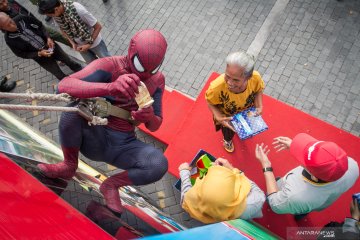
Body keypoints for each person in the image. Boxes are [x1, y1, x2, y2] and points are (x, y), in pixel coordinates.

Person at [37, 29, 168, 214]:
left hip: (124, 144)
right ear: (131, 51)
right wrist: (110, 87)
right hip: (95, 133)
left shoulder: (157, 80)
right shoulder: (110, 66)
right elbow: (63, 86)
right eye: (139, 66)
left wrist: (149, 117)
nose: (144, 75)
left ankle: (111, 185)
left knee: (158, 164)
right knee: (72, 110)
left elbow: (156, 125)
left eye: (152, 69)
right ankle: (69, 164)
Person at [255, 133, 359, 219]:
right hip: (317, 202)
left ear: (313, 176)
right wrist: (295, 147)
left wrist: (266, 166)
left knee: (273, 198)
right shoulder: (352, 166)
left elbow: (275, 203)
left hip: (298, 200)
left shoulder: (295, 196)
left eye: (303, 157)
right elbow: (324, 158)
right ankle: (301, 213)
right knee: (304, 209)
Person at [205, 51, 264, 153]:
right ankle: (227, 141)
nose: (229, 83)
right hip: (228, 118)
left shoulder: (255, 78)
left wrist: (259, 106)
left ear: (248, 77)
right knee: (228, 132)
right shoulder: (216, 87)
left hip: (247, 113)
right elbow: (210, 102)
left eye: (236, 80)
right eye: (227, 76)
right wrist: (219, 117)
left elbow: (258, 90)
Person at [179, 158, 265, 223]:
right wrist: (233, 170)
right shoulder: (252, 204)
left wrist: (184, 172)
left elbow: (186, 196)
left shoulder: (193, 202)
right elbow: (257, 192)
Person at [0, 12, 82, 80]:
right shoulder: (9, 39)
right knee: (58, 74)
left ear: (9, 16)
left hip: (51, 46)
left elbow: (40, 25)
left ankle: (82, 72)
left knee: (69, 61)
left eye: (10, 20)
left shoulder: (22, 18)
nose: (12, 25)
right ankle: (72, 86)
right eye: (8, 25)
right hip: (42, 58)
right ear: (2, 28)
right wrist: (38, 53)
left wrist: (48, 38)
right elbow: (21, 54)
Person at [38, 0, 110, 64]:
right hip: (79, 45)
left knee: (108, 61)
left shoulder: (79, 10)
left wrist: (88, 44)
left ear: (56, 9)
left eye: (50, 15)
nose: (51, 17)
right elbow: (63, 30)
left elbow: (98, 27)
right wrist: (72, 43)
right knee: (92, 65)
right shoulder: (57, 16)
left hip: (95, 43)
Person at [0, 0, 70, 46]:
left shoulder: (11, 1)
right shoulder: (2, 17)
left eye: (4, 0)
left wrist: (35, 20)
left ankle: (73, 45)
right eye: (1, 4)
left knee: (56, 35)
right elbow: (7, 30)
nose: (5, 4)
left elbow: (24, 10)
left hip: (36, 24)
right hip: (30, 33)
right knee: (47, 43)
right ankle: (59, 57)